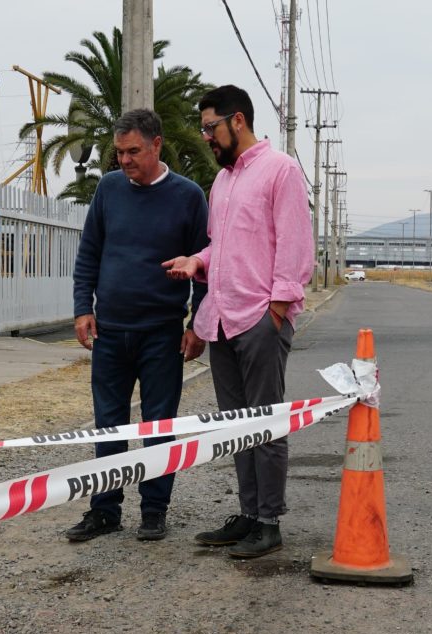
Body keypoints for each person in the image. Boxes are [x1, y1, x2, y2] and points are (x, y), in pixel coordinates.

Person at [162, 85, 313, 558]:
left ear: (238, 121)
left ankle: (269, 521)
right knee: (236, 425)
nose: (206, 136)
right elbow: (225, 248)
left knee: (266, 423)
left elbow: (293, 246)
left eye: (210, 126)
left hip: (260, 319)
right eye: (204, 128)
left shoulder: (280, 170)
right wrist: (197, 261)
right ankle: (248, 516)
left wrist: (277, 310)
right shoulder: (224, 182)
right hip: (222, 321)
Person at [66, 108, 209, 544]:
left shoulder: (188, 197)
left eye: (134, 151)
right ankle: (104, 510)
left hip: (162, 333)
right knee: (108, 423)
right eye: (120, 151)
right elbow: (89, 252)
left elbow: (205, 265)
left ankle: (154, 511)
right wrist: (82, 308)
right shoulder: (108, 190)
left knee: (158, 425)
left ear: (157, 145)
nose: (125, 160)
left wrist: (196, 323)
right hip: (110, 331)